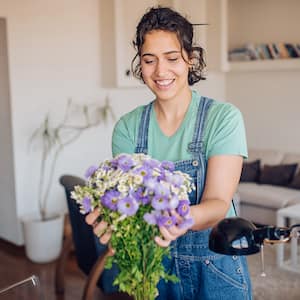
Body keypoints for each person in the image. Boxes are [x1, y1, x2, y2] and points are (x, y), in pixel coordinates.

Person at [86, 6, 252, 300]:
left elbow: (217, 203)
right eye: (149, 60)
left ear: (191, 58)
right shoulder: (127, 128)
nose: (161, 71)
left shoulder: (223, 118)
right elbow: (130, 207)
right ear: (140, 64)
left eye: (172, 58)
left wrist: (175, 218)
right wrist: (113, 223)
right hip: (155, 269)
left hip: (215, 267)